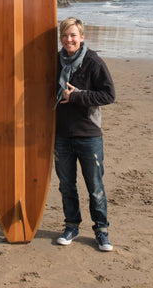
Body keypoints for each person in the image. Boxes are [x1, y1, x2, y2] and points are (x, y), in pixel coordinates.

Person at [54, 17, 116, 252]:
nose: (69, 39)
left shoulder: (93, 62)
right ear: (61, 38)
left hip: (89, 134)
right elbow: (27, 80)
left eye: (73, 35)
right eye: (65, 36)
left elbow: (108, 95)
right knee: (67, 185)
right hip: (61, 134)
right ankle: (71, 226)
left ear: (81, 37)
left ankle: (101, 231)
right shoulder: (55, 62)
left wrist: (77, 96)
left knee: (95, 186)